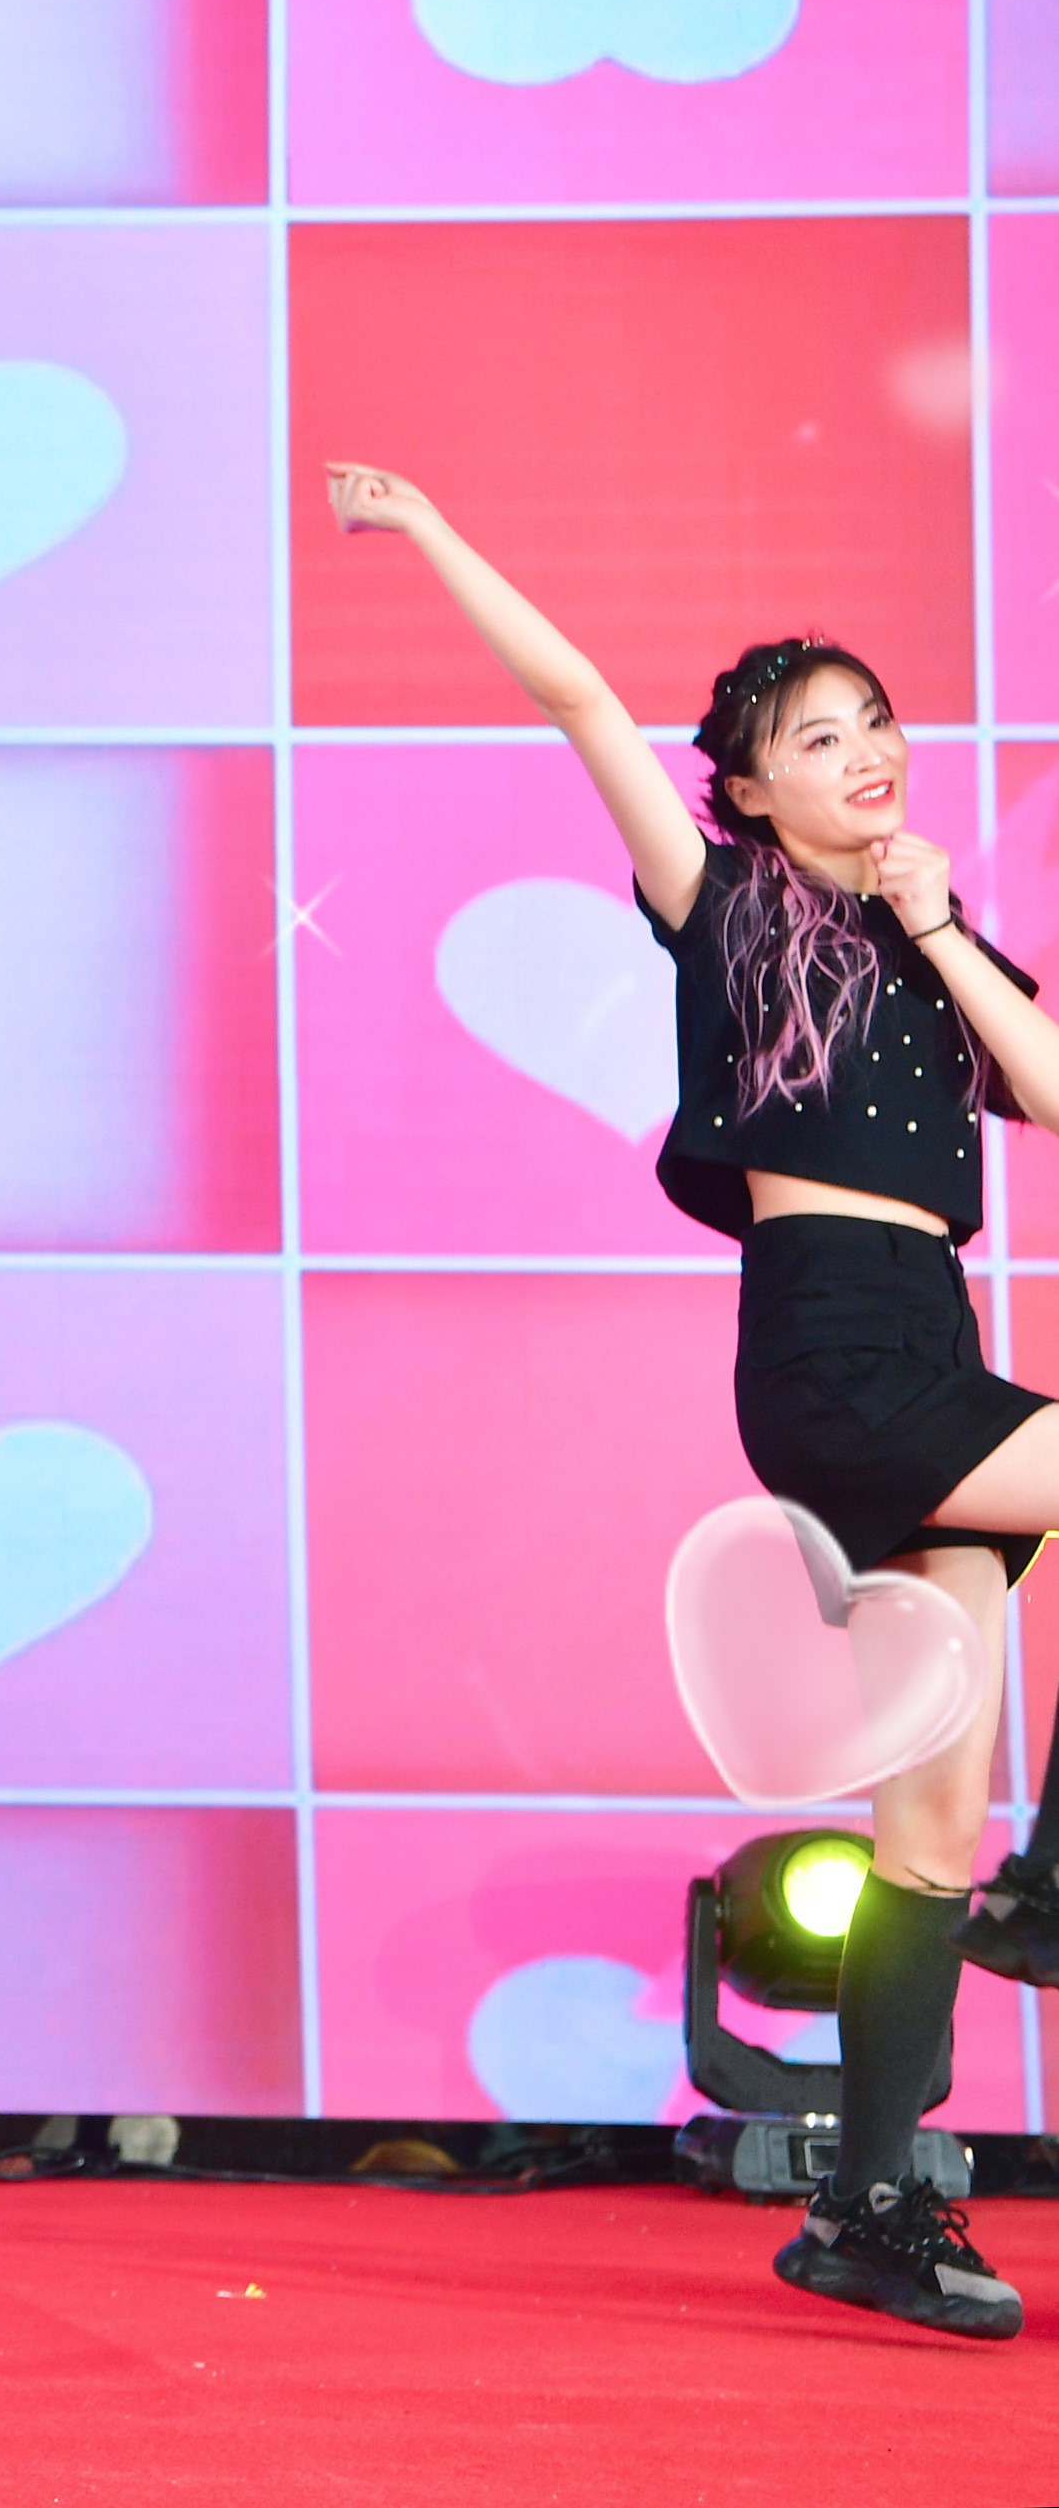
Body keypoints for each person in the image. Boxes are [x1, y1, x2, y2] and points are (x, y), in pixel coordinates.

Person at [335, 463, 1040, 2342]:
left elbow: (1049, 1094)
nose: (864, 753)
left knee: (926, 1821)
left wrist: (940, 924)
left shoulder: (929, 937)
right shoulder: (720, 903)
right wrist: (424, 525)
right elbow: (577, 694)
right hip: (830, 1348)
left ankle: (869, 2201)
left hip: (935, 1339)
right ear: (747, 788)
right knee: (960, 1820)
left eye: (874, 721)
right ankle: (1054, 1894)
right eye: (818, 739)